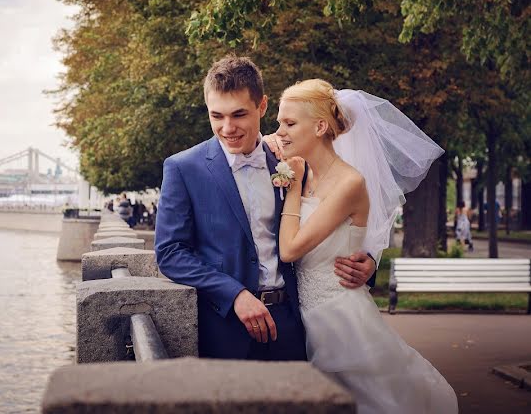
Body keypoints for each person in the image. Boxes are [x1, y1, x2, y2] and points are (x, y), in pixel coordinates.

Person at [155, 55, 375, 361]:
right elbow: (170, 253)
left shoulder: (293, 162)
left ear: (262, 107)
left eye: (239, 114)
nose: (227, 128)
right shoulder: (183, 168)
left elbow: (336, 222)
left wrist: (368, 265)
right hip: (225, 329)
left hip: (294, 323)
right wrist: (234, 294)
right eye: (216, 116)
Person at [275, 79, 457, 413]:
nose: (279, 132)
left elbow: (290, 249)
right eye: (278, 123)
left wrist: (293, 189)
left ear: (319, 126)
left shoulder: (348, 182)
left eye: (289, 123)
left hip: (338, 317)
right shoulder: (304, 173)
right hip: (301, 315)